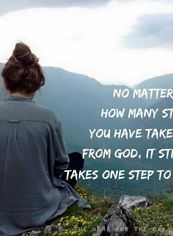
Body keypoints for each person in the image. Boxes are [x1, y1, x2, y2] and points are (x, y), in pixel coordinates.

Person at [0, 42, 87, 236]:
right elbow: (61, 165)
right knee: (76, 159)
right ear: (37, 84)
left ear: (6, 82)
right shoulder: (48, 117)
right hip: (37, 210)